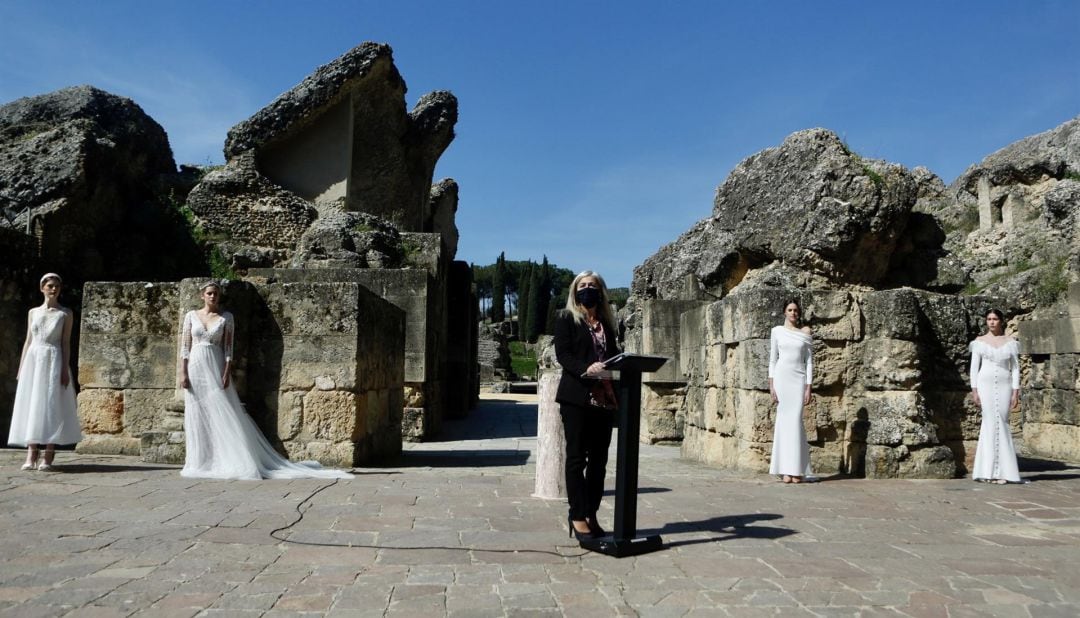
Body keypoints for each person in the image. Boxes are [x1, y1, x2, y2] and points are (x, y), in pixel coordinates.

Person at [179, 281, 352, 480]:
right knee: (197, 411)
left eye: (216, 293)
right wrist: (183, 373)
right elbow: (185, 347)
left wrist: (227, 371)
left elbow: (228, 349)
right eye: (209, 293)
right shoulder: (191, 316)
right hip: (196, 365)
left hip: (216, 363)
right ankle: (199, 460)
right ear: (202, 295)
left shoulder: (226, 318)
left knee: (224, 411)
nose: (213, 297)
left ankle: (228, 458)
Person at [554, 271, 620, 540]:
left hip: (604, 401)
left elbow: (613, 357)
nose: (587, 289)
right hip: (577, 398)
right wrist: (587, 369)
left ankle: (592, 512)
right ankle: (577, 515)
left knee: (599, 462)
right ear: (574, 291)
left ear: (601, 291)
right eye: (582, 285)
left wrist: (616, 370)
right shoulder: (566, 318)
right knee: (576, 458)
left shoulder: (607, 322)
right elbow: (564, 356)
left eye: (592, 285)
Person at [8, 273, 83, 471]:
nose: (53, 289)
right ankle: (31, 451)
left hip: (54, 358)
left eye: (57, 286)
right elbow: (28, 340)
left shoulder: (65, 313)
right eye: (50, 285)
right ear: (42, 288)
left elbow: (65, 343)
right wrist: (22, 367)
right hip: (34, 359)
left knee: (51, 402)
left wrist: (65, 369)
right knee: (32, 402)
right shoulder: (33, 312)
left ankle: (49, 452)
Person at [969, 309, 1021, 484]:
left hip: (1005, 384)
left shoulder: (1010, 342)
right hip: (985, 385)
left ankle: (1005, 472)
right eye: (989, 319)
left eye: (995, 319)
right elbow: (974, 368)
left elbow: (1015, 368)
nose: (992, 322)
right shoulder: (979, 342)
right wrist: (974, 390)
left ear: (1001, 321)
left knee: (1003, 422)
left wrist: (1016, 391)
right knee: (989, 422)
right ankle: (987, 471)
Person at [768, 299, 813, 484]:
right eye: (789, 309)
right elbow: (772, 360)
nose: (793, 313)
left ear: (799, 313)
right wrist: (771, 385)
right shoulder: (776, 331)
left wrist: (808, 387)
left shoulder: (805, 333)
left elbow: (809, 362)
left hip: (798, 380)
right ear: (784, 312)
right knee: (784, 424)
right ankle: (785, 470)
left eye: (795, 310)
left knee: (795, 423)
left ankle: (797, 470)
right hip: (782, 379)